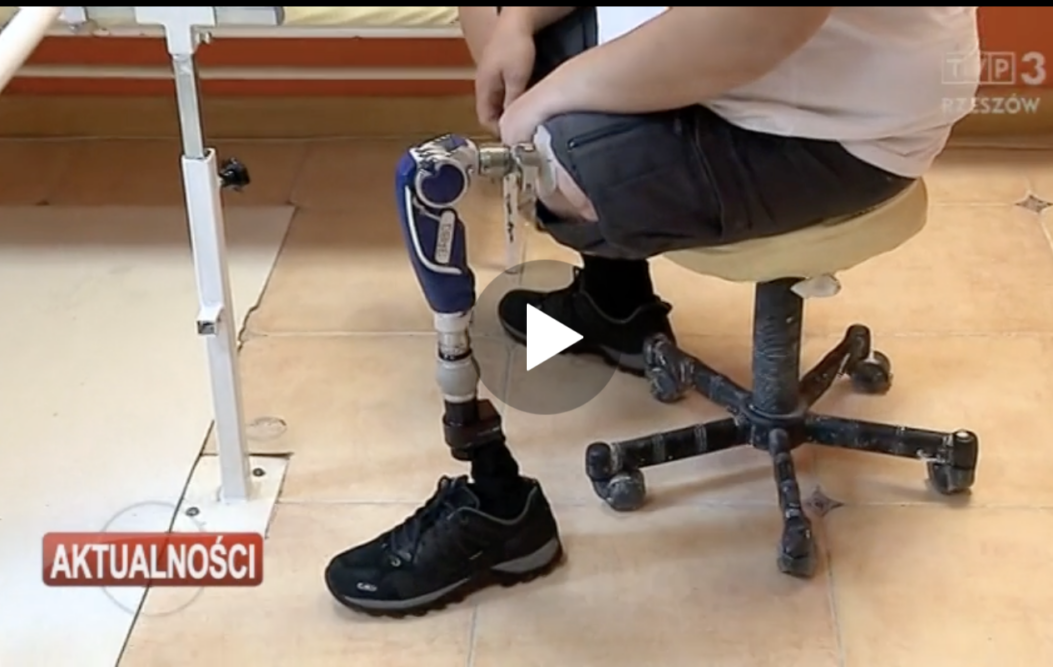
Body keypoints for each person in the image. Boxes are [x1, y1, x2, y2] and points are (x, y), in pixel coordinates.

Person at [324, 7, 981, 617]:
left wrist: (549, 101)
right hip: (758, 67)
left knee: (563, 165)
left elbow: (752, 28)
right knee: (505, 32)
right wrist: (518, 22)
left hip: (837, 128)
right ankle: (616, 307)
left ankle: (504, 516)